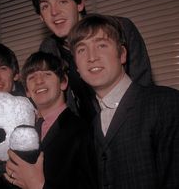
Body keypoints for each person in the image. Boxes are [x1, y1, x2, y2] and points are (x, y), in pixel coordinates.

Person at [68, 13, 179, 188]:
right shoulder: (92, 126)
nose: (91, 57)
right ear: (77, 67)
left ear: (122, 55)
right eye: (82, 50)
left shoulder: (166, 103)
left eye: (102, 45)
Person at [31, 0, 153, 121]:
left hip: (130, 123)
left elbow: (143, 84)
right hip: (85, 136)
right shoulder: (47, 49)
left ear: (79, 4)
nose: (54, 12)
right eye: (45, 6)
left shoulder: (120, 28)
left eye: (62, 1)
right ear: (41, 17)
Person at [4, 51, 97, 189]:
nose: (39, 81)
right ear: (27, 92)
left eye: (47, 74)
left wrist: (40, 186)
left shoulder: (82, 131)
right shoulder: (21, 132)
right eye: (32, 77)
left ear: (63, 82)